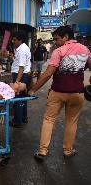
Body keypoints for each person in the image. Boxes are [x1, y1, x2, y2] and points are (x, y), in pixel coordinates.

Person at [30, 26, 91, 161]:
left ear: (66, 37)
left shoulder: (59, 51)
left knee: (49, 120)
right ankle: (68, 151)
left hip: (58, 92)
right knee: (71, 122)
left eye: (57, 39)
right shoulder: (85, 50)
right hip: (77, 93)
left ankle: (42, 151)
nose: (55, 42)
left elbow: (48, 74)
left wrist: (33, 89)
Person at [10, 31, 31, 128]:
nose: (12, 41)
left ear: (20, 40)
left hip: (20, 75)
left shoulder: (22, 50)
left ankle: (17, 121)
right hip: (23, 75)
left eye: (14, 40)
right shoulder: (22, 48)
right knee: (23, 98)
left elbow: (21, 67)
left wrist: (17, 82)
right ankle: (23, 117)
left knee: (18, 98)